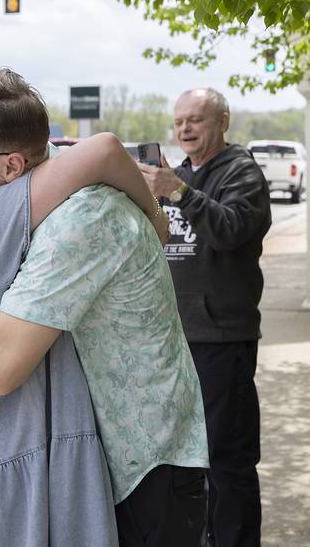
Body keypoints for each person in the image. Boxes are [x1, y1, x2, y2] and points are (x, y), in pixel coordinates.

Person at [0, 70, 209, 547]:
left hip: (144, 464)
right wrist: (154, 213)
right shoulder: (41, 179)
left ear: (12, 167)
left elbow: (1, 365)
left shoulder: (81, 218)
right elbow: (103, 150)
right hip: (108, 456)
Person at [137, 88, 271, 547]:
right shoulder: (180, 175)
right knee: (191, 459)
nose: (185, 129)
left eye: (195, 119)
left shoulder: (241, 171)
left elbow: (231, 229)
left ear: (223, 121)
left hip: (222, 338)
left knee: (227, 460)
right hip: (179, 338)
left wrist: (179, 192)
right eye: (178, 122)